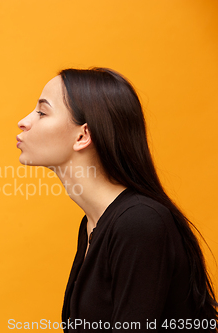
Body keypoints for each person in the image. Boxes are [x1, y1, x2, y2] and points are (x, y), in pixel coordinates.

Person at [16, 67, 218, 332]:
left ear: (83, 136)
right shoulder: (94, 223)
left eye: (42, 112)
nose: (24, 121)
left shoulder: (139, 223)